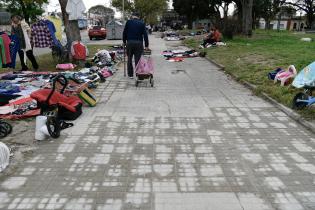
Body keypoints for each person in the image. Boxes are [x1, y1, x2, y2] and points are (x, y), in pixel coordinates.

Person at [123, 12, 149, 79]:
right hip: (139, 43)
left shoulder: (128, 22)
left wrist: (124, 42)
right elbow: (145, 35)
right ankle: (138, 74)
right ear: (138, 17)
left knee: (129, 59)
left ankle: (130, 75)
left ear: (132, 16)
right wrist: (146, 45)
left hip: (130, 42)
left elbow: (124, 32)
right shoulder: (142, 23)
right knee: (138, 59)